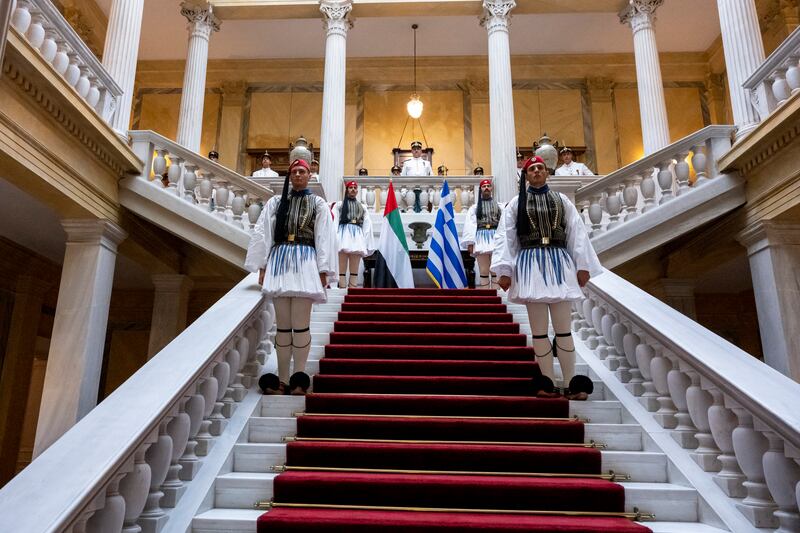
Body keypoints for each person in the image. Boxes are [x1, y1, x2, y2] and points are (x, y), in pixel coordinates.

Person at [492, 156, 602, 400]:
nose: (537, 172)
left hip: (560, 264)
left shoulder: (562, 201)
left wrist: (583, 266)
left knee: (564, 330)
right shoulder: (515, 204)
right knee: (539, 331)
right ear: (526, 175)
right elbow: (506, 237)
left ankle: (572, 383)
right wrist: (504, 271)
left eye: (540, 168)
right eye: (532, 169)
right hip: (530, 266)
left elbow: (576, 233)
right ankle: (548, 383)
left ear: (547, 172)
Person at [245, 158, 335, 395]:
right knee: (282, 327)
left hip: (305, 262)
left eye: (302, 171)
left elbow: (324, 237)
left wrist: (324, 269)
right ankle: (283, 379)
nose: (297, 175)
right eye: (294, 171)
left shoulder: (318, 203)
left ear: (309, 175)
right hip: (279, 261)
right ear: (289, 175)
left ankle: (299, 377)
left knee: (301, 325)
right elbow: (263, 233)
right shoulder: (276, 202)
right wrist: (262, 266)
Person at [332, 180, 375, 288]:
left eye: (355, 188)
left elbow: (367, 224)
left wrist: (365, 240)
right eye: (351, 188)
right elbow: (334, 221)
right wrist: (334, 237)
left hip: (357, 235)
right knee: (342, 263)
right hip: (342, 233)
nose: (353, 190)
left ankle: (353, 287)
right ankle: (342, 286)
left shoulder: (362, 207)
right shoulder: (339, 205)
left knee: (355, 263)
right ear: (347, 190)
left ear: (357, 191)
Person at [462, 179, 501, 289]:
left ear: (492, 188)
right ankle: (486, 295)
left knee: (495, 268)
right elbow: (470, 225)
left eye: (488, 185)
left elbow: (503, 224)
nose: (487, 188)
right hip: (481, 237)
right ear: (481, 189)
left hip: (495, 237)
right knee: (483, 269)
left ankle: (495, 294)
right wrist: (470, 242)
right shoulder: (474, 208)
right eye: (484, 186)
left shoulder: (499, 206)